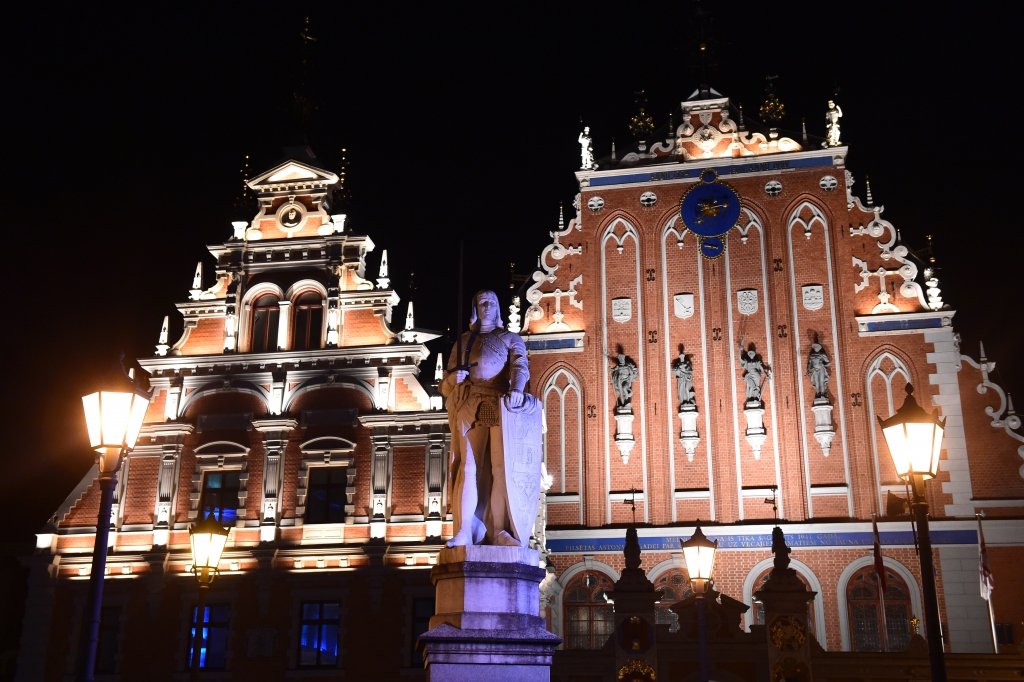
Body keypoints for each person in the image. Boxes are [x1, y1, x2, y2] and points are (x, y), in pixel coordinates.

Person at [441, 290, 529, 547]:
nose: (487, 306)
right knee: (469, 467)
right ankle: (465, 530)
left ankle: (500, 530)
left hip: (502, 403)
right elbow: (445, 387)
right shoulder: (464, 342)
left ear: (498, 307)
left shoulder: (510, 338)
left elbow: (520, 366)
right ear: (475, 308)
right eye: (481, 302)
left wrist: (517, 389)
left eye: (491, 302)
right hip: (470, 404)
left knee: (501, 469)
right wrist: (451, 380)